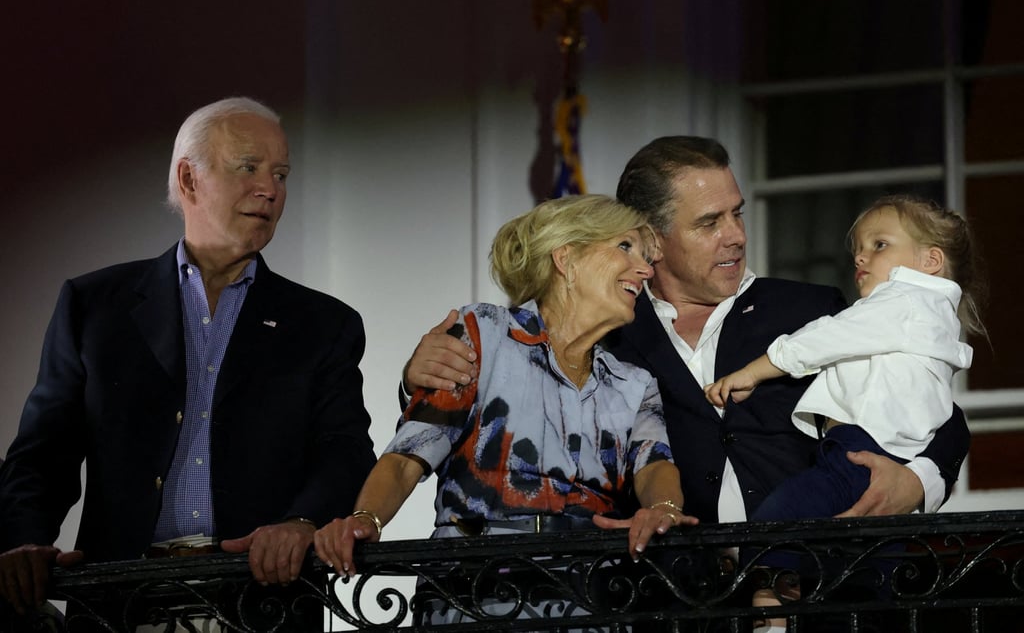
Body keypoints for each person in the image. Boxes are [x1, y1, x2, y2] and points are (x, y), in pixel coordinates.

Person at [404, 137, 970, 528]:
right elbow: (514, 390)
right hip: (665, 599)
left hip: (816, 589)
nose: (735, 236)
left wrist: (919, 480)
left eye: (737, 214)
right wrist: (424, 375)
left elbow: (934, 404)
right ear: (652, 237)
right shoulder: (607, 331)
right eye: (709, 222)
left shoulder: (812, 309)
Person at [0, 97, 377, 625]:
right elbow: (43, 454)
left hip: (262, 601)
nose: (270, 189)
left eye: (281, 174)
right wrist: (24, 542)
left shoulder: (324, 324)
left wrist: (300, 522)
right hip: (122, 603)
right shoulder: (93, 306)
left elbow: (346, 452)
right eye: (248, 167)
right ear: (189, 179)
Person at [314, 194, 698, 627]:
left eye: (646, 258)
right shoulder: (483, 334)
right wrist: (367, 518)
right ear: (566, 258)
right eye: (625, 248)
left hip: (589, 596)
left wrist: (663, 507)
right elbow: (409, 455)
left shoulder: (633, 383)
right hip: (474, 592)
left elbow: (655, 466)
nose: (645, 271)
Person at [704, 194, 984, 630]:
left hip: (855, 457)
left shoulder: (904, 303)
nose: (860, 254)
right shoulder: (924, 316)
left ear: (931, 261)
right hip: (881, 463)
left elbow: (825, 337)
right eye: (859, 246)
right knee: (868, 580)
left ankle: (770, 611)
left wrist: (753, 373)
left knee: (769, 530)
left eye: (880, 244)